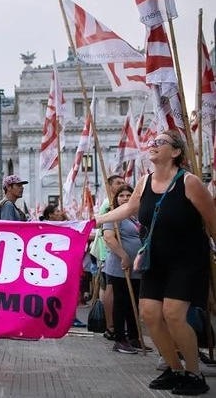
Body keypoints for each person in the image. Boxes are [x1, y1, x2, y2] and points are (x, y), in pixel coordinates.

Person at [96, 131, 213, 395]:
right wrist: (96, 220)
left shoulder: (190, 182)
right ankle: (174, 369)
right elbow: (128, 209)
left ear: (175, 153)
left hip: (187, 260)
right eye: (152, 142)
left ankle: (194, 374)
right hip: (155, 259)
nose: (152, 145)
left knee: (173, 314)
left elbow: (212, 220)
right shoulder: (144, 182)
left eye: (160, 142)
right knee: (149, 313)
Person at [101, 184, 145, 354]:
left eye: (129, 195)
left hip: (138, 267)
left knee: (134, 302)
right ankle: (120, 339)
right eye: (122, 196)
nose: (125, 198)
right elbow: (109, 239)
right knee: (121, 301)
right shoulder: (113, 216)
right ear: (116, 199)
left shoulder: (137, 216)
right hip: (121, 266)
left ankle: (134, 337)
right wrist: (124, 255)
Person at [91, 175, 126, 341]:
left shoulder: (113, 203)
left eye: (123, 182)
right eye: (118, 183)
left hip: (109, 253)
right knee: (109, 289)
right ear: (110, 186)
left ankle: (111, 325)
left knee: (107, 288)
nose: (122, 185)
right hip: (108, 253)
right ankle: (111, 325)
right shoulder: (109, 204)